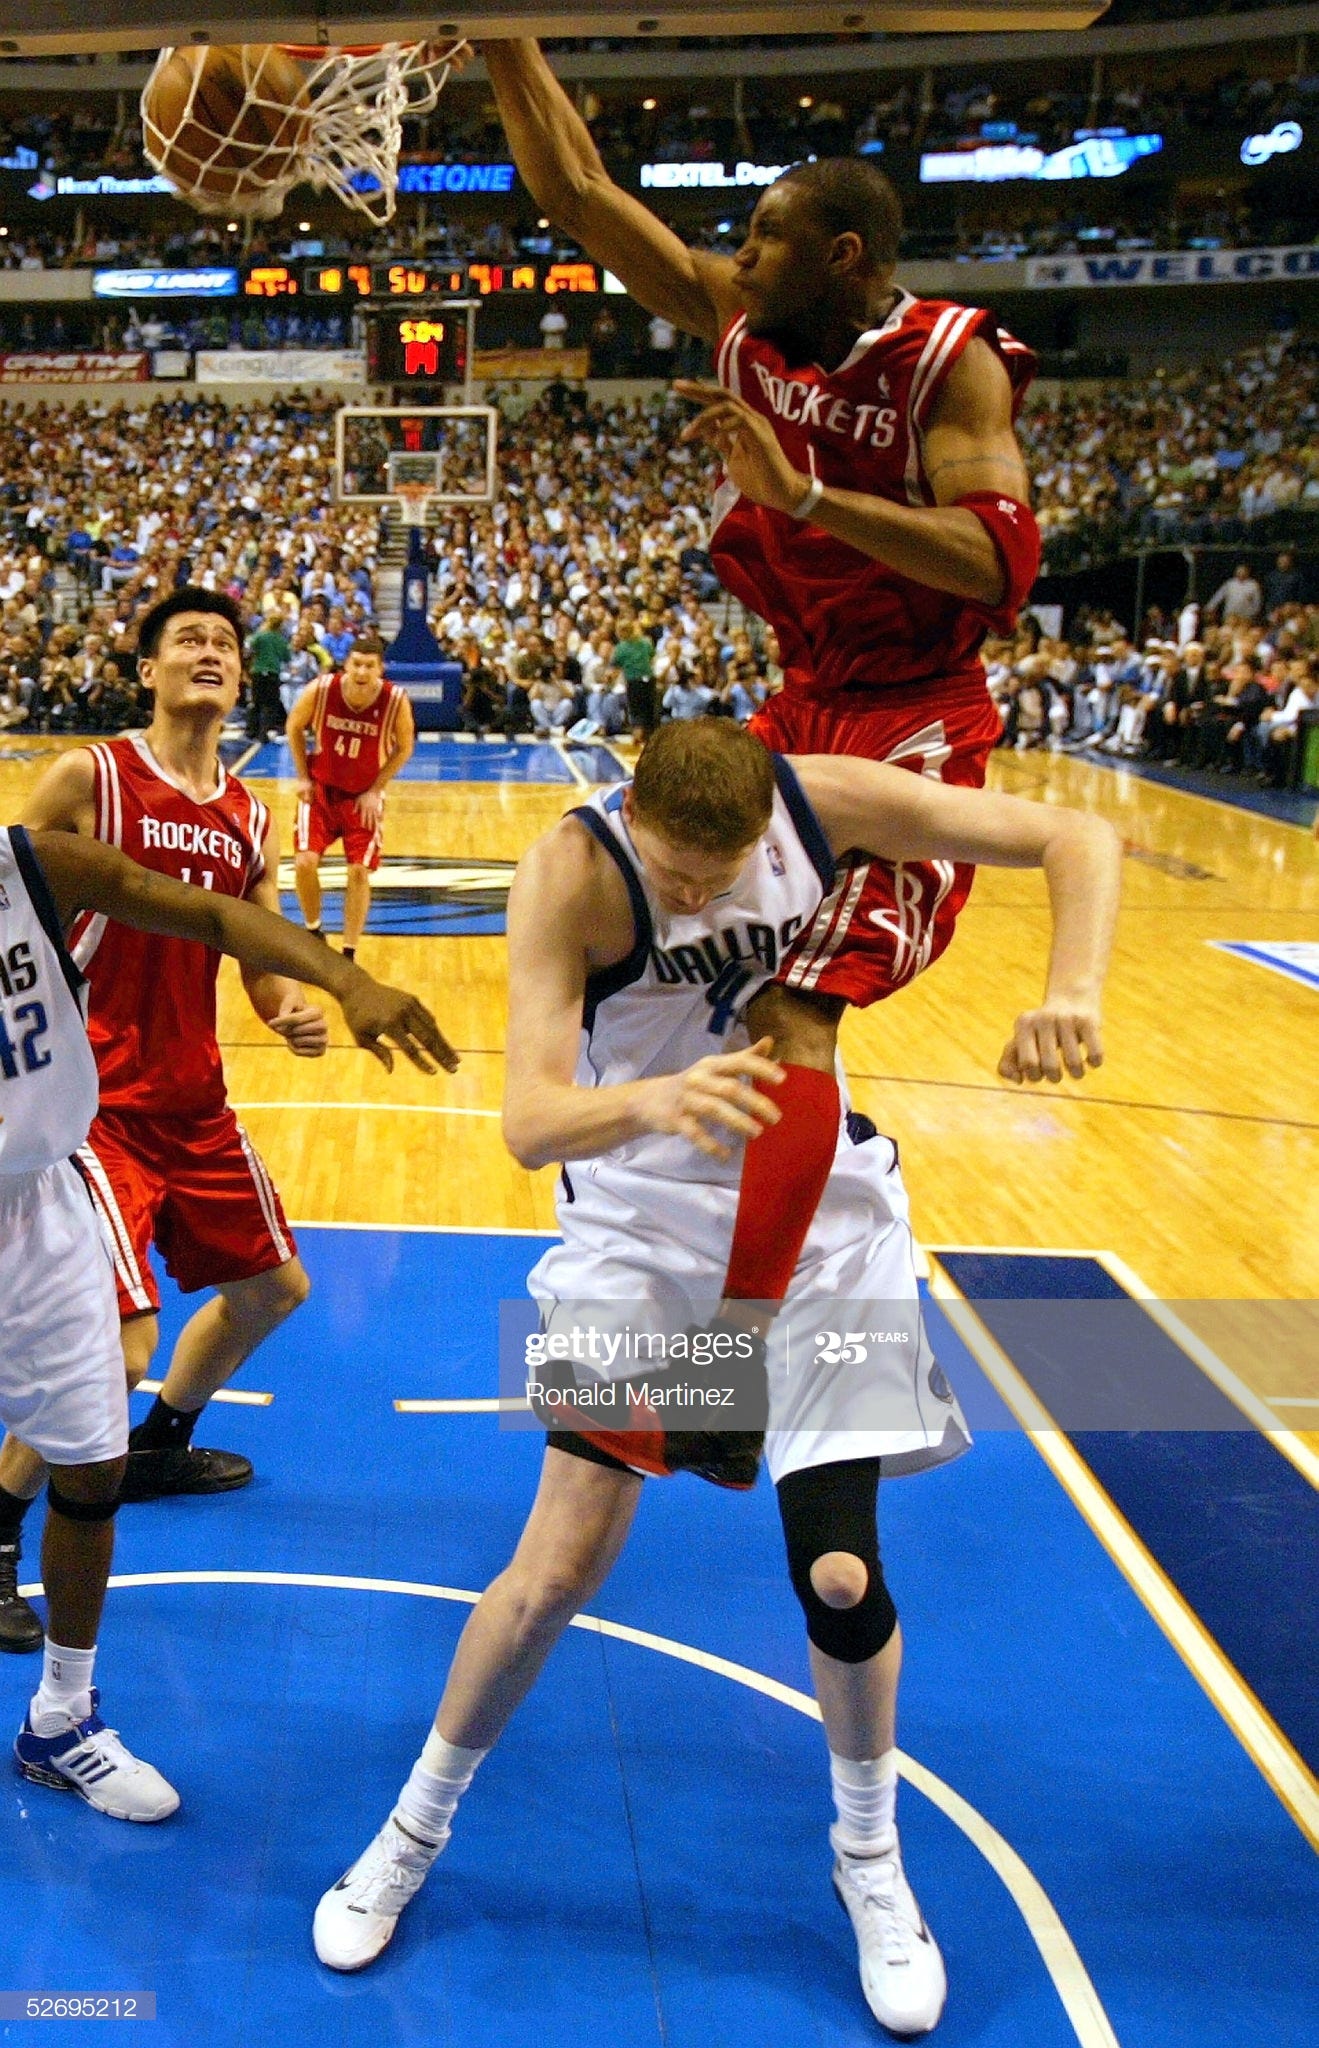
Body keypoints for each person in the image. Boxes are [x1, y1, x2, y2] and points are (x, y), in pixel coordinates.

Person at [312, 720, 1120, 2038]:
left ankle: (867, 1861)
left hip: (822, 1226)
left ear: (768, 824)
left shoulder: (824, 803)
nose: (697, 900)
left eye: (721, 874)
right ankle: (410, 1830)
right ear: (631, 811)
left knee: (839, 1575)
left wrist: (1070, 984)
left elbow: (1073, 833)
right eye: (677, 873)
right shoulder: (568, 873)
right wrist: (656, 1099)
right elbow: (526, 1123)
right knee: (553, 1575)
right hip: (637, 1231)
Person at [481, 42, 1041, 1472]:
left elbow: (992, 561)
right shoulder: (745, 322)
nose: (735, 257)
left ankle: (729, 1364)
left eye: (764, 233)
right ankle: (775, 1244)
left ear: (842, 255)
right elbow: (583, 193)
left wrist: (806, 495)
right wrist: (500, 37)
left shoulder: (946, 364)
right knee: (726, 1008)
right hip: (797, 697)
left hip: (912, 709)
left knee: (795, 1017)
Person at [0, 819, 452, 1795]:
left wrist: (347, 978)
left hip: (35, 1208)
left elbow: (211, 910)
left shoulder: (32, 865)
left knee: (90, 1464)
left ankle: (60, 1720)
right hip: (92, 1147)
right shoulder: (93, 783)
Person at [0, 588, 345, 1534]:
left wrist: (288, 1010)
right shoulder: (90, 777)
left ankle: (159, 1445)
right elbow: (12, 910)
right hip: (92, 1105)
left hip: (194, 1102)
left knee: (273, 1289)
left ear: (241, 678)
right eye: (187, 639)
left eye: (225, 643)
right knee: (112, 1347)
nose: (209, 651)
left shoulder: (251, 820)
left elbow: (258, 961)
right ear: (147, 670)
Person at [286, 633, 415, 961]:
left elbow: (405, 747)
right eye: (356, 664)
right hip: (322, 790)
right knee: (304, 862)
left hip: (362, 797)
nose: (361, 672)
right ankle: (313, 929)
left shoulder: (395, 700)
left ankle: (349, 951)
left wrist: (376, 789)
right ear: (346, 665)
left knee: (359, 871)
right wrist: (302, 776)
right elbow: (293, 726)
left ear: (380, 669)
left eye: (369, 666)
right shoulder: (322, 689)